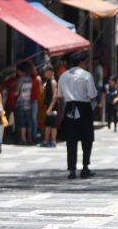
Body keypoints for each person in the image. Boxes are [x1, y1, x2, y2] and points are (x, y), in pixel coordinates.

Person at [58, 51, 99, 179]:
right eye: (86, 62)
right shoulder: (87, 76)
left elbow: (60, 96)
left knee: (71, 140)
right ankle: (85, 167)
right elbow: (92, 95)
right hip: (84, 107)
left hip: (69, 107)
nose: (87, 65)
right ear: (81, 63)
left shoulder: (63, 76)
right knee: (87, 139)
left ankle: (71, 169)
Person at [15, 63, 34, 145]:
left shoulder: (20, 80)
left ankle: (23, 139)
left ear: (20, 71)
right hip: (28, 102)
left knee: (22, 122)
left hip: (20, 103)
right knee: (28, 122)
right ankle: (29, 139)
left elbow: (16, 92)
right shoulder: (30, 79)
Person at [40, 65, 59, 147]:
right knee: (47, 124)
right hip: (48, 106)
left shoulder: (53, 82)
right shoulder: (47, 81)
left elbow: (55, 96)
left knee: (53, 124)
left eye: (46, 71)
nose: (44, 73)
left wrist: (50, 108)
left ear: (50, 71)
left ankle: (53, 141)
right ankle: (46, 140)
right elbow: (41, 91)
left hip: (52, 107)